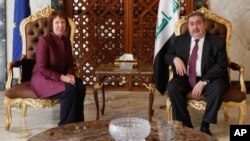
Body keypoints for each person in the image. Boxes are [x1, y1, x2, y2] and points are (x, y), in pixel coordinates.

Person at [165, 12, 230, 136]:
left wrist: (203, 81)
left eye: (198, 23)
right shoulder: (179, 40)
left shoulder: (217, 42)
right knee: (173, 87)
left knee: (218, 88)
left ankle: (205, 125)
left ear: (205, 25)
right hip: (186, 77)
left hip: (211, 78)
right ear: (188, 26)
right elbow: (167, 56)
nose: (195, 27)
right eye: (192, 24)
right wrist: (175, 59)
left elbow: (222, 65)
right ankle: (187, 124)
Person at [30, 10, 86, 126]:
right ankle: (64, 128)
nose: (60, 25)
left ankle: (78, 124)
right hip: (42, 79)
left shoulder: (66, 42)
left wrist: (70, 75)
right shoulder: (44, 41)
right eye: (57, 22)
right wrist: (63, 78)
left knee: (80, 86)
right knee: (70, 90)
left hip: (60, 76)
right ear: (51, 25)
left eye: (63, 22)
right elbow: (42, 68)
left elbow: (70, 64)